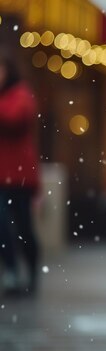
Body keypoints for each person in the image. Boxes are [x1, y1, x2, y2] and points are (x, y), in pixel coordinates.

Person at [0, 51, 41, 296]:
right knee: (1, 223)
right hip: (2, 177)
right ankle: (13, 270)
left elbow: (15, 119)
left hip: (19, 176)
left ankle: (31, 271)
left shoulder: (21, 95)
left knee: (24, 226)